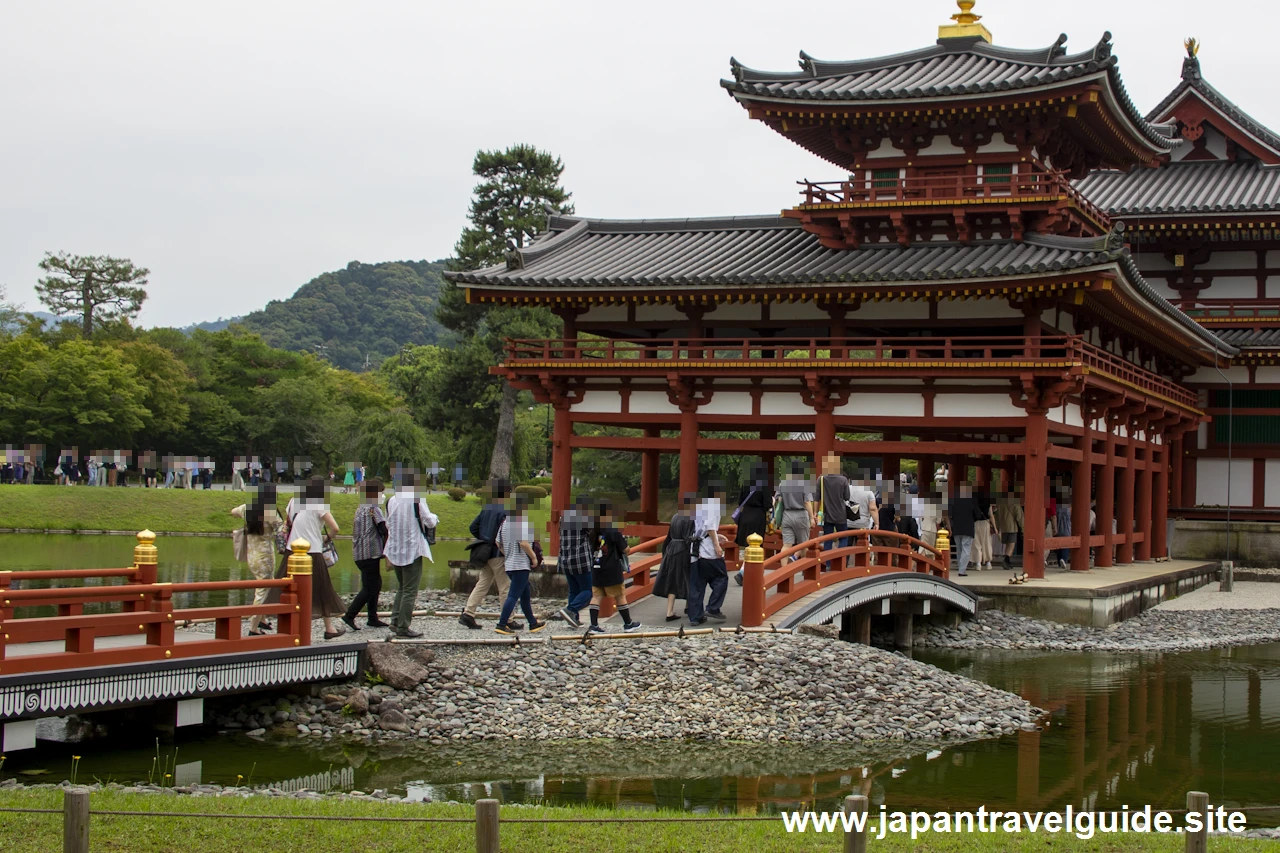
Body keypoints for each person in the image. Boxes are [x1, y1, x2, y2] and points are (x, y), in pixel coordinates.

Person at [280, 478, 346, 639]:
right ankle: (329, 628)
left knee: (287, 588)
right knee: (322, 588)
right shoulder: (319, 504)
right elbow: (335, 527)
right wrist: (327, 538)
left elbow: (288, 522)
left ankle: (285, 624)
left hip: (292, 549)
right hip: (312, 551)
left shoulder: (294, 501)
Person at [459, 479, 520, 631]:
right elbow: (507, 534)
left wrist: (483, 537)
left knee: (482, 583)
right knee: (505, 587)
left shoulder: (487, 508)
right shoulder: (506, 510)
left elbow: (473, 526)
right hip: (498, 553)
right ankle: (508, 619)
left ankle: (469, 612)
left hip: (484, 552)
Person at [383, 472, 439, 639]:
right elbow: (429, 521)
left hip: (395, 548)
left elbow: (387, 524)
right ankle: (403, 627)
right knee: (410, 590)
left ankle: (395, 620)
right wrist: (436, 518)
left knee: (402, 586)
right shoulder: (417, 499)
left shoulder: (391, 501)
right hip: (412, 548)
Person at [494, 492, 548, 634]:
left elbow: (497, 542)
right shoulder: (520, 522)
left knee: (525, 594)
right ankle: (502, 623)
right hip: (520, 565)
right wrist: (533, 558)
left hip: (510, 564)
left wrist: (508, 553)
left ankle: (532, 623)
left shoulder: (504, 523)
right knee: (513, 595)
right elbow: (523, 543)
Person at [232, 483, 282, 636]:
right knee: (262, 590)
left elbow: (233, 511)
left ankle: (262, 619)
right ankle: (253, 627)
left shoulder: (248, 508)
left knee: (264, 585)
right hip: (265, 556)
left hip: (251, 555)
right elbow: (281, 528)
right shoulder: (269, 511)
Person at [343, 478, 391, 631]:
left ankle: (372, 617)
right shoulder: (373, 508)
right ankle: (350, 615)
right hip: (370, 553)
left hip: (359, 553)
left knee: (374, 584)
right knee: (370, 587)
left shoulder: (361, 508)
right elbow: (383, 529)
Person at [587, 498, 640, 633]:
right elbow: (625, 549)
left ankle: (593, 625)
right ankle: (628, 623)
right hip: (611, 567)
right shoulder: (612, 530)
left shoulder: (593, 529)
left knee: (596, 596)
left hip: (597, 566)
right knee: (620, 595)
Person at [688, 483, 728, 625]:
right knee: (721, 578)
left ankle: (695, 616)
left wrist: (718, 536)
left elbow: (701, 528)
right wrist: (717, 545)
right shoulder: (714, 506)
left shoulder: (699, 506)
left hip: (695, 549)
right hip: (707, 550)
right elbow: (710, 526)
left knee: (697, 584)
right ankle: (713, 607)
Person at [652, 493, 695, 621]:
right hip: (683, 550)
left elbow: (669, 536)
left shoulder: (675, 516)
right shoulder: (690, 518)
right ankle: (688, 606)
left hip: (671, 549)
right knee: (688, 577)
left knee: (672, 580)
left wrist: (664, 552)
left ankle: (670, 611)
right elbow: (688, 538)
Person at [557, 495, 595, 628]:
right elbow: (591, 531)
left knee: (574, 590)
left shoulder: (564, 517)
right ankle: (571, 609)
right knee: (588, 590)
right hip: (580, 560)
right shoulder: (584, 517)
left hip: (565, 559)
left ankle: (573, 619)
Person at [732, 465, 771, 586]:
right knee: (756, 546)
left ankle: (746, 572)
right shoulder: (764, 485)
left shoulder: (746, 484)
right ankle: (743, 572)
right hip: (757, 516)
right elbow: (767, 504)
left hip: (745, 516)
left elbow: (740, 501)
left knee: (748, 546)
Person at [775, 460, 816, 562]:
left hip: (787, 514)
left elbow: (777, 500)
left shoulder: (782, 483)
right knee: (803, 545)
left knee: (786, 545)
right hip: (801, 514)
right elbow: (807, 502)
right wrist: (811, 518)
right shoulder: (804, 484)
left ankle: (783, 571)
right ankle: (805, 570)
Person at [817, 453, 851, 555]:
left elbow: (816, 498)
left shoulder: (821, 479)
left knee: (827, 539)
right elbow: (847, 497)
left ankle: (828, 564)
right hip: (840, 514)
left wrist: (815, 513)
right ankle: (839, 559)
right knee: (843, 537)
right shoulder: (843, 480)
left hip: (826, 514)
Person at [949, 484, 979, 577]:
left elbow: (950, 514)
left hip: (957, 528)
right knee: (966, 549)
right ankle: (962, 570)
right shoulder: (972, 500)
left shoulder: (953, 500)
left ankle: (960, 567)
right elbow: (977, 514)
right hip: (968, 528)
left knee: (959, 549)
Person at [995, 485, 1024, 570]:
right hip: (1012, 526)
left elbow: (996, 515)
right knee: (1011, 545)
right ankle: (1006, 560)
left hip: (1003, 527)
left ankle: (1008, 561)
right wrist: (1023, 528)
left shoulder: (1000, 502)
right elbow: (1019, 516)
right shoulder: (1014, 502)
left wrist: (997, 526)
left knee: (1007, 545)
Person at [973, 485, 995, 570]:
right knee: (986, 543)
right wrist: (995, 527)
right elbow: (991, 515)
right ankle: (988, 562)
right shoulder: (987, 502)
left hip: (975, 523)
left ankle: (978, 563)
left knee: (977, 544)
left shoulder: (974, 502)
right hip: (985, 523)